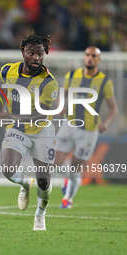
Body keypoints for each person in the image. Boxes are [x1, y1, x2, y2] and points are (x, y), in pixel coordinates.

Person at [0, 34, 59, 231]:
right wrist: (3, 110)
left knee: (44, 180)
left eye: (40, 54)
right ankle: (25, 184)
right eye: (31, 53)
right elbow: (5, 92)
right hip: (17, 130)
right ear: (23, 52)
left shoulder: (49, 82)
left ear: (45, 54)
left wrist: (14, 117)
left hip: (42, 131)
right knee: (7, 170)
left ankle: (40, 214)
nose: (36, 58)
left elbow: (40, 114)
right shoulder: (7, 70)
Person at [55, 46, 118, 209]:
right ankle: (67, 181)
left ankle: (67, 199)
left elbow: (113, 108)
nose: (90, 58)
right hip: (69, 125)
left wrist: (106, 123)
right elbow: (64, 95)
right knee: (56, 162)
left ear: (98, 60)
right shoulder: (72, 75)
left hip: (89, 131)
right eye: (88, 55)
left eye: (94, 56)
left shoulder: (105, 81)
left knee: (75, 167)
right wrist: (60, 107)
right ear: (84, 57)